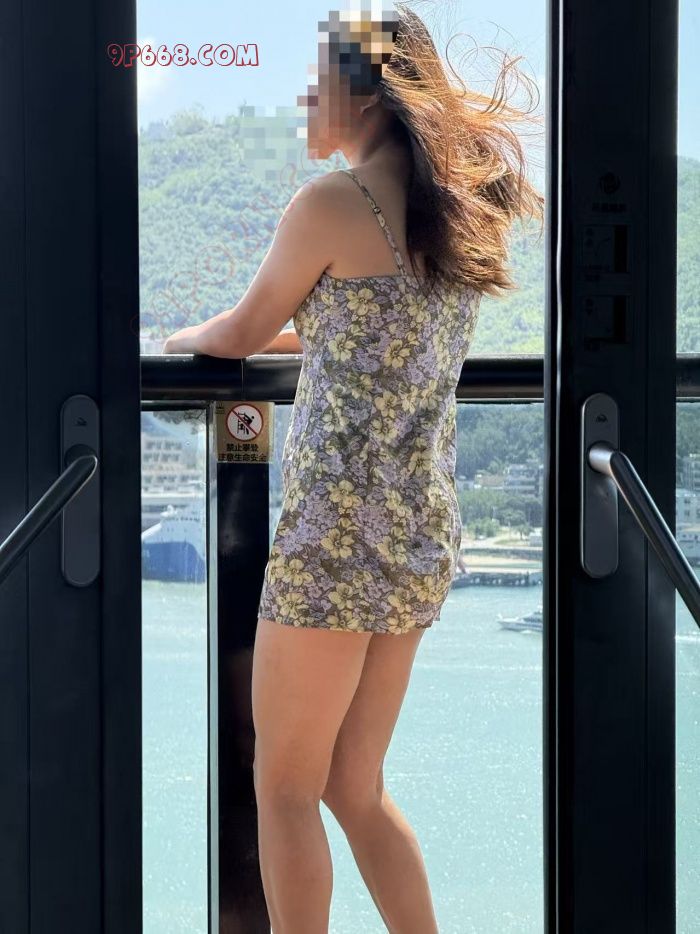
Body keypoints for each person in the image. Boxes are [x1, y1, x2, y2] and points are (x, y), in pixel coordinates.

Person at [164, 3, 543, 930]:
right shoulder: (448, 219)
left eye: (316, 82)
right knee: (355, 784)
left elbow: (241, 332)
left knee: (285, 784)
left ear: (361, 93)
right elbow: (359, 333)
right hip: (418, 533)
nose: (303, 100)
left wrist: (178, 342)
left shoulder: (331, 204)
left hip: (335, 535)